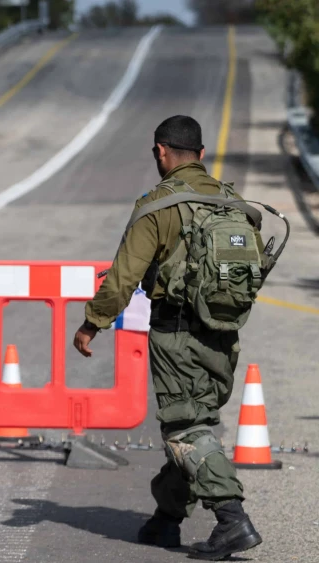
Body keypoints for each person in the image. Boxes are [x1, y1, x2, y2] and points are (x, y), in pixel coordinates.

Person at [72, 115, 266, 560]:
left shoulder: (157, 206)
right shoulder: (232, 202)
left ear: (161, 152)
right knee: (195, 421)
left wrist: (91, 324)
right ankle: (166, 520)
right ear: (200, 155)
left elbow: (123, 277)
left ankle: (232, 518)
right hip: (223, 334)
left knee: (186, 427)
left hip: (176, 330)